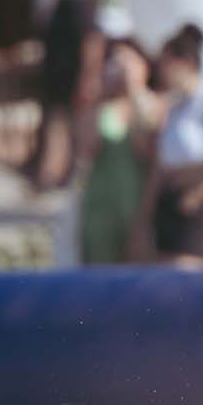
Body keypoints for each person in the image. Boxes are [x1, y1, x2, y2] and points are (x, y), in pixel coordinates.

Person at [139, 25, 203, 269]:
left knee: (186, 274)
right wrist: (145, 213)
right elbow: (159, 166)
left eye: (167, 63)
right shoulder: (171, 109)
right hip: (168, 202)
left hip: (195, 205)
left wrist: (199, 193)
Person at [77, 36, 161, 265]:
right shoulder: (101, 108)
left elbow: (147, 149)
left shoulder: (154, 104)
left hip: (140, 205)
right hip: (101, 207)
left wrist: (134, 89)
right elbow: (86, 149)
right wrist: (99, 93)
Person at [25, 0, 99, 191]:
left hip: (73, 76)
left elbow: (92, 41)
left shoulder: (81, 2)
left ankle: (66, 175)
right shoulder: (59, 2)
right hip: (56, 77)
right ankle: (51, 174)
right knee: (56, 124)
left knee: (72, 128)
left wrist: (88, 77)